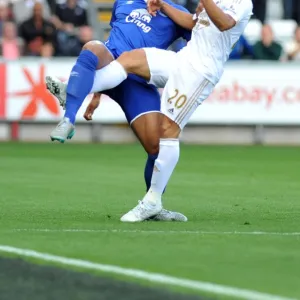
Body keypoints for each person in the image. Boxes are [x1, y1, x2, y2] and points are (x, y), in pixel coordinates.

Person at [50, 0, 253, 222]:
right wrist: (164, 6)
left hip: (201, 72)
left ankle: (153, 201)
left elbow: (225, 24)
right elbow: (195, 23)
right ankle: (74, 89)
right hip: (182, 60)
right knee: (129, 59)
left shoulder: (243, 3)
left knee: (166, 132)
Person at [47, 0, 191, 221]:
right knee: (93, 46)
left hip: (138, 81)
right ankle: (68, 119)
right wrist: (98, 93)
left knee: (158, 147)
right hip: (111, 65)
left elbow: (194, 38)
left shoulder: (177, 12)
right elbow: (112, 39)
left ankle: (153, 203)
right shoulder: (123, 2)